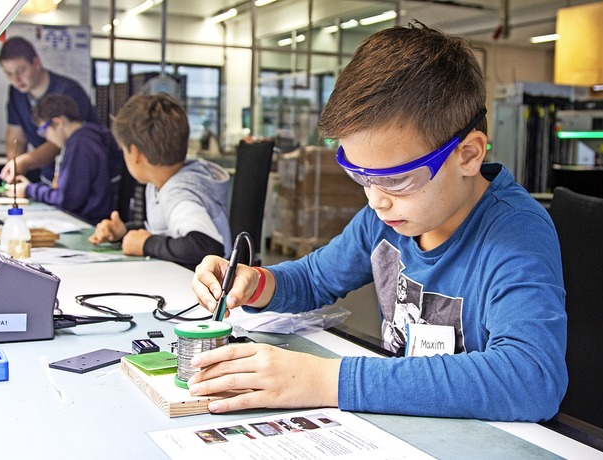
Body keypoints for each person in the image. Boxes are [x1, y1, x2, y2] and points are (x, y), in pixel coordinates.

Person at [188, 22, 568, 422]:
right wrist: (254, 282)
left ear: (469, 156)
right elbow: (315, 278)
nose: (376, 201)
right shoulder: (388, 217)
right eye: (361, 176)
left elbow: (531, 378)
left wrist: (326, 381)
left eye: (397, 179)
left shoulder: (516, 234)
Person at [88, 93, 232, 270]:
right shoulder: (160, 183)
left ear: (135, 153)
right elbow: (168, 230)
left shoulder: (180, 194)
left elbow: (206, 246)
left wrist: (146, 244)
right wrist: (125, 232)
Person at [0, 36, 100, 184]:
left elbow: (60, 142)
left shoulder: (69, 91)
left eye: (20, 71)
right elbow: (16, 138)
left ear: (36, 63)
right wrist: (13, 169)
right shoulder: (17, 94)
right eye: (9, 74)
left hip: (81, 177)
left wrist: (25, 161)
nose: (16, 79)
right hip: (49, 177)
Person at [7, 94, 122, 225]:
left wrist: (29, 190)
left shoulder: (82, 144)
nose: (46, 137)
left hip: (89, 224)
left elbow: (67, 199)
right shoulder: (81, 140)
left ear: (57, 122)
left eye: (44, 130)